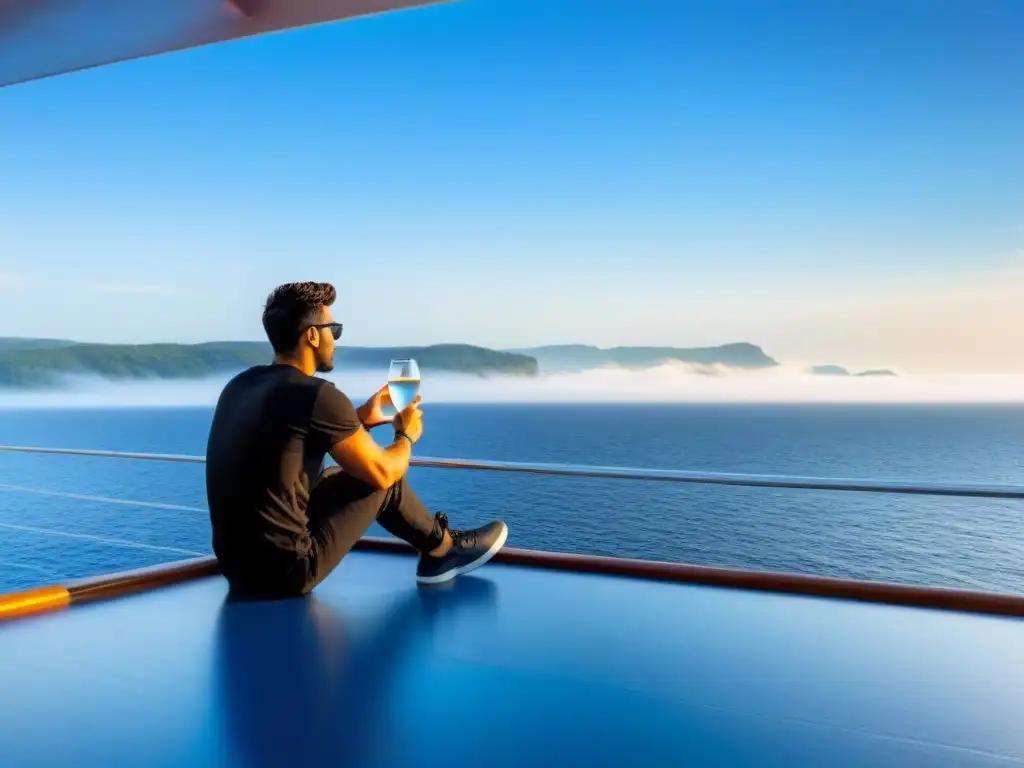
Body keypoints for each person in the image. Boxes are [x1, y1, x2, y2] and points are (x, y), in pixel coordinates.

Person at [205, 281, 508, 598]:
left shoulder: (239, 386)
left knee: (340, 475)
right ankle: (443, 550)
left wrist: (362, 416)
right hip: (287, 572)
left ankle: (439, 547)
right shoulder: (318, 394)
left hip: (236, 567)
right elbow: (383, 472)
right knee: (380, 479)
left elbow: (286, 443)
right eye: (333, 330)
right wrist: (405, 435)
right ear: (311, 335)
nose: (335, 340)